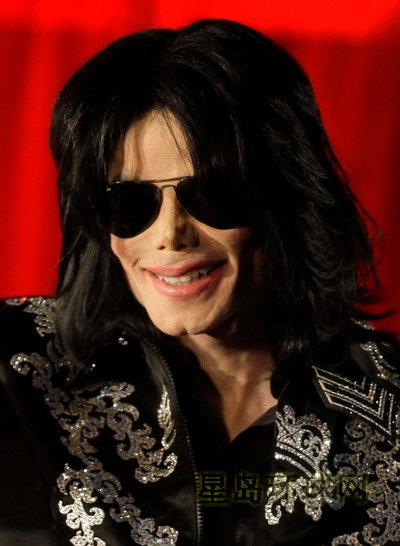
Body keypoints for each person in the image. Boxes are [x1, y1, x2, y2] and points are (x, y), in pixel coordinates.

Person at [0, 18, 399, 546]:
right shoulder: (16, 372)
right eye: (130, 202)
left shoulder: (389, 409)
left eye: (212, 195)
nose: (170, 234)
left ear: (286, 198)